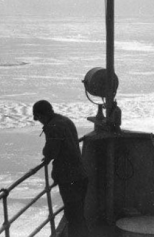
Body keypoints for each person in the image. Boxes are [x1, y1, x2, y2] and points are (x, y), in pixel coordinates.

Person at [32, 100, 90, 237]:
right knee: (78, 215)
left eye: (38, 118)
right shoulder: (65, 120)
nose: (39, 121)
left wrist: (46, 156)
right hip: (80, 174)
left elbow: (51, 151)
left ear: (41, 115)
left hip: (69, 178)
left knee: (73, 216)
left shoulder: (53, 126)